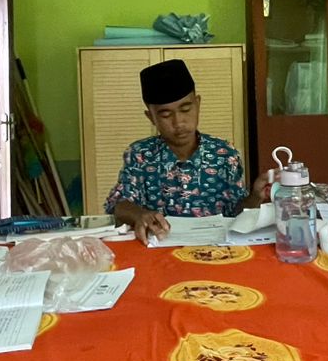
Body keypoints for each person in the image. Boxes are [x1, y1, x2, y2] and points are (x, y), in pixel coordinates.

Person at [106, 59, 264, 243]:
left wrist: (255, 197)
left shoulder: (224, 154)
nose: (179, 122)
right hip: (160, 251)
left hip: (215, 251)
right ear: (151, 117)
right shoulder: (139, 154)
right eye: (166, 115)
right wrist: (140, 214)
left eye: (186, 109)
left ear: (197, 104)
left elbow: (236, 212)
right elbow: (119, 204)